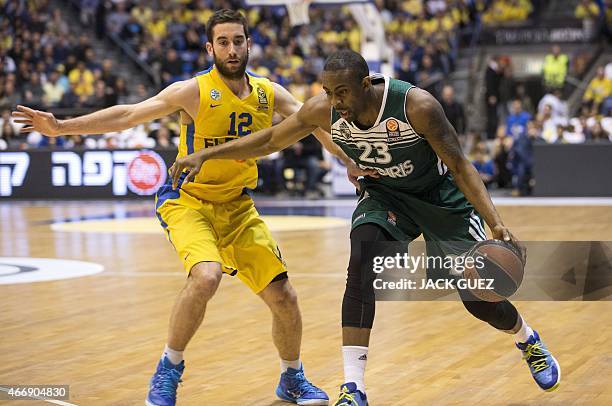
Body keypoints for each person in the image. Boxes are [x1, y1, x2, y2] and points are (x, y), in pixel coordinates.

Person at [12, 10, 377, 406]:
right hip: (190, 202)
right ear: (210, 48)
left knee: (284, 296)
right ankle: (168, 369)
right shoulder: (195, 90)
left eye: (238, 41)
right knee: (206, 277)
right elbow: (131, 114)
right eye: (223, 42)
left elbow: (314, 122)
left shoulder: (267, 92)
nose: (232, 49)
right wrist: (63, 128)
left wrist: (347, 160)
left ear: (249, 44)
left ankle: (291, 377)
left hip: (237, 207)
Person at [170, 49, 561, 405]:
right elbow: (270, 139)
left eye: (342, 92)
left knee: (478, 300)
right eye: (328, 92)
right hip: (386, 196)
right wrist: (205, 154)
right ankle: (352, 387)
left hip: (441, 200)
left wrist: (496, 223)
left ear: (366, 84)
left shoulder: (417, 106)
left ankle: (528, 340)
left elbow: (460, 166)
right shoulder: (322, 110)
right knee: (362, 261)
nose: (335, 102)